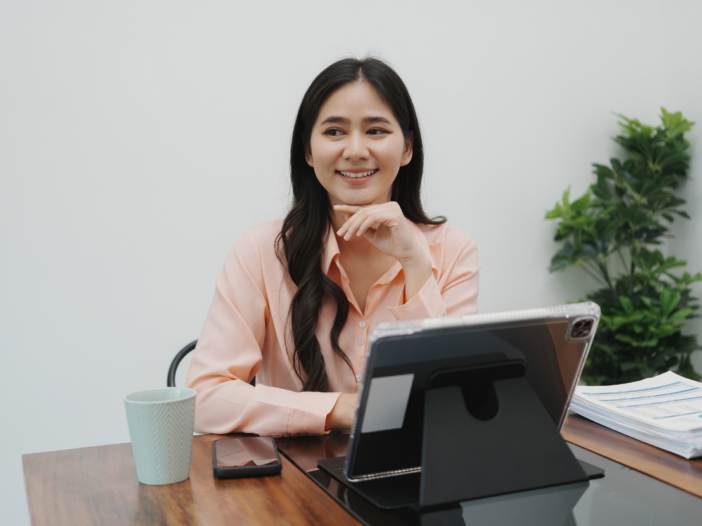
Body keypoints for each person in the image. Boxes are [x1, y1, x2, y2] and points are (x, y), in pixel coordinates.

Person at [185, 57, 480, 436]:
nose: (356, 150)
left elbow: (449, 404)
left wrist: (415, 263)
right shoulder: (261, 251)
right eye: (335, 131)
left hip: (411, 480)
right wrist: (340, 409)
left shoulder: (454, 252)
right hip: (293, 485)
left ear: (407, 148)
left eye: (376, 130)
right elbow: (205, 398)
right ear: (308, 151)